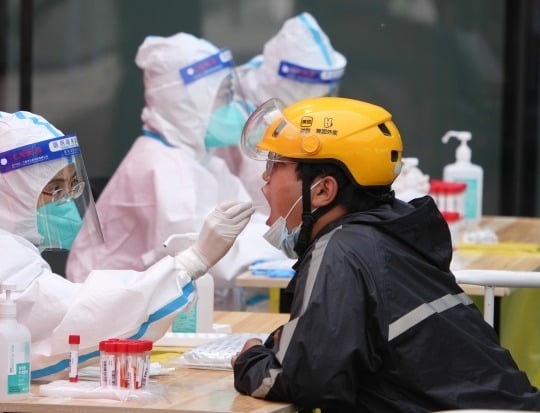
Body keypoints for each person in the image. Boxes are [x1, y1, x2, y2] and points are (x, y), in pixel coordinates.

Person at [0, 110, 253, 413]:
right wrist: (191, 261)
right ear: (13, 193)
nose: (68, 200)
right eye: (54, 188)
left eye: (72, 184)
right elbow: (75, 314)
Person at [231, 96, 540, 411]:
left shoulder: (340, 250)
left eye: (276, 165)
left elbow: (311, 382)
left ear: (323, 190)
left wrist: (249, 361)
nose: (265, 178)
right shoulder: (391, 233)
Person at [65, 33, 283, 308]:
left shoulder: (204, 161)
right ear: (187, 102)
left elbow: (249, 221)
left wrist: (281, 240)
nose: (235, 109)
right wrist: (281, 246)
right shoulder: (160, 165)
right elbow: (208, 256)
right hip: (110, 312)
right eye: (223, 98)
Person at [216, 11, 347, 213]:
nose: (322, 96)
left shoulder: (294, 114)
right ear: (286, 79)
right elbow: (259, 197)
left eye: (327, 89)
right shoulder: (233, 117)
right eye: (313, 88)